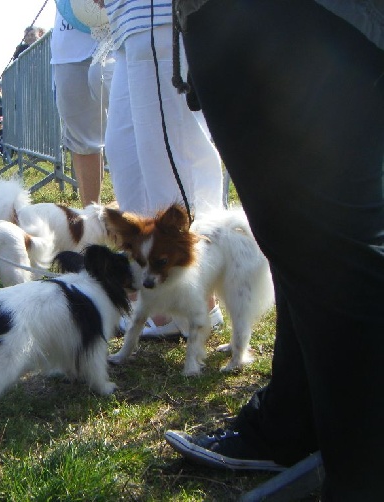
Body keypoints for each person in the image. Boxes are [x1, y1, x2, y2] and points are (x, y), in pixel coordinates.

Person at [160, 1, 384, 500]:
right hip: (306, 21)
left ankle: (361, 473)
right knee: (303, 244)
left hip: (287, 17)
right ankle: (293, 421)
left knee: (330, 246)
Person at [95, 0, 224, 336]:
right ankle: (160, 300)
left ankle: (200, 298)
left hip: (157, 16)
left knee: (167, 157)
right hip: (127, 25)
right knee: (126, 154)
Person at [50, 11, 113, 206]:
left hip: (119, 34)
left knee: (135, 125)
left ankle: (149, 215)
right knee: (83, 141)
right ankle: (92, 220)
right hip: (68, 46)